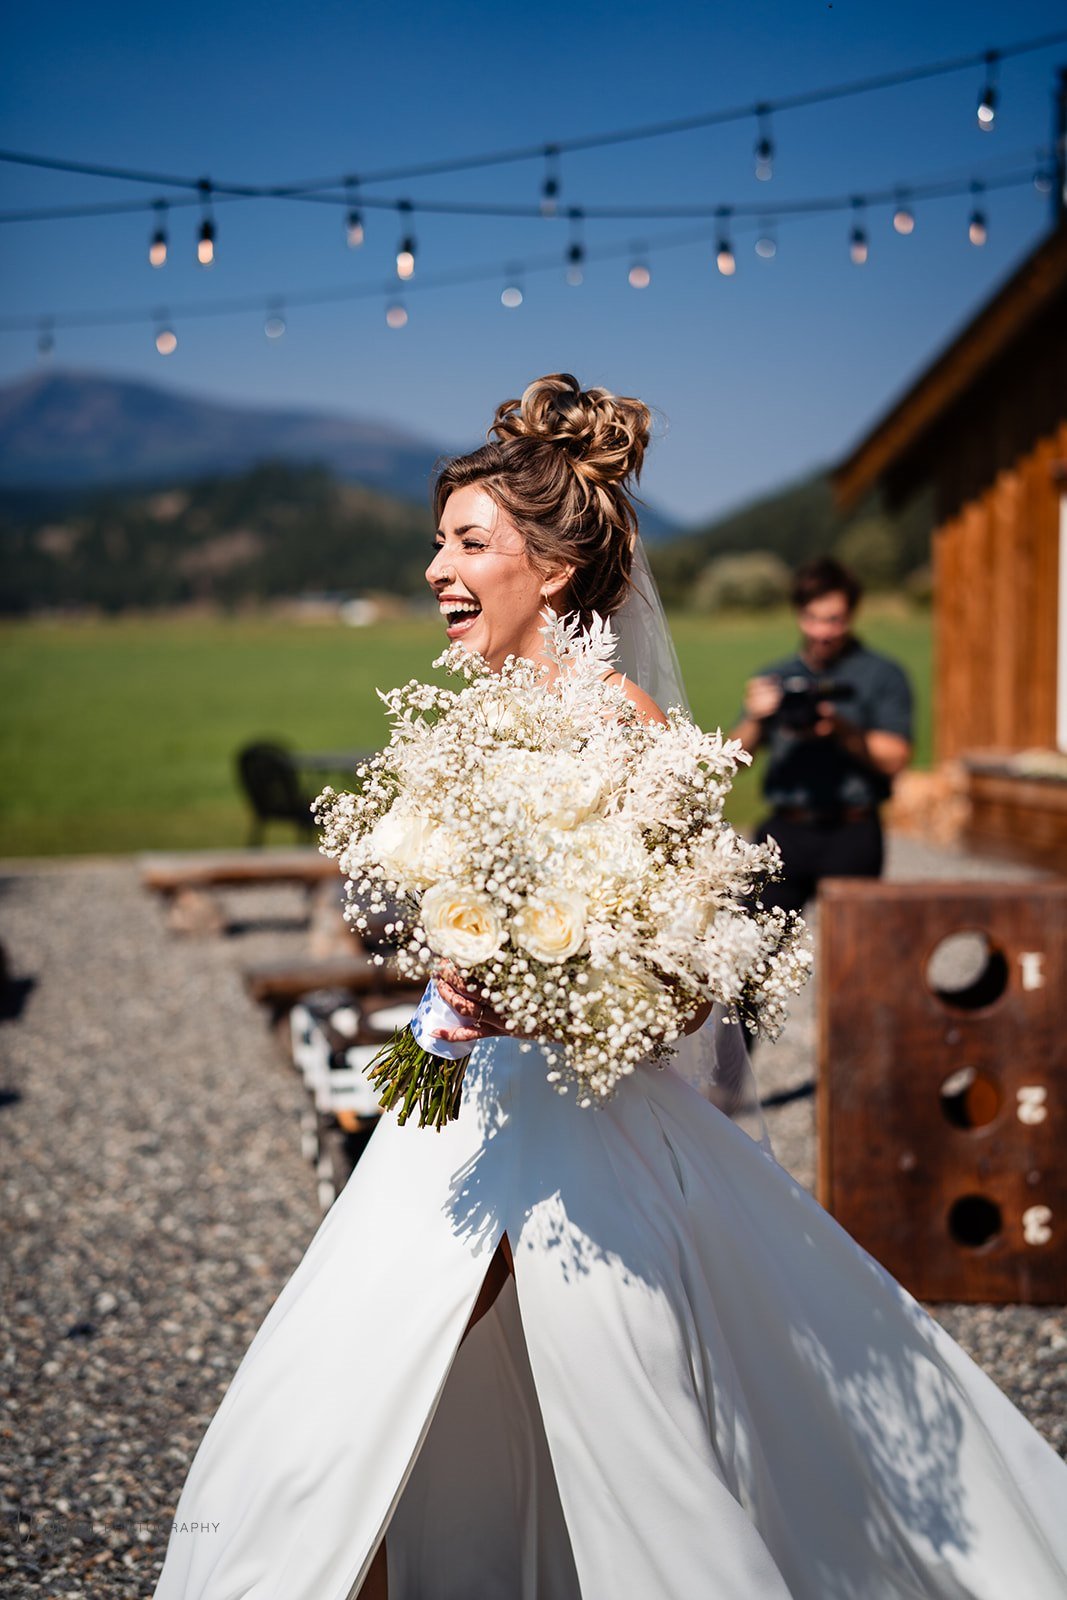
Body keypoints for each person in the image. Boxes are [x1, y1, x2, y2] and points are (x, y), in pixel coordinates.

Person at [152, 376, 1067, 1600]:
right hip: (464, 1118)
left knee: (614, 1417)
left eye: (468, 543)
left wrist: (553, 993)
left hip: (584, 1129)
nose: (437, 567)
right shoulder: (466, 723)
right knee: (353, 1373)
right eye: (437, 540)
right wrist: (458, 966)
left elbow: (690, 985)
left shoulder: (631, 734)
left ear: (555, 568)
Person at [731, 557, 913, 914]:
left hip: (853, 830)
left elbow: (896, 758)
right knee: (755, 947)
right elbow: (734, 760)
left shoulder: (882, 674)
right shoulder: (776, 676)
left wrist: (841, 729)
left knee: (855, 952)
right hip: (785, 828)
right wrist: (755, 717)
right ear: (799, 615)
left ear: (852, 615)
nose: (823, 632)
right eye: (813, 618)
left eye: (834, 620)